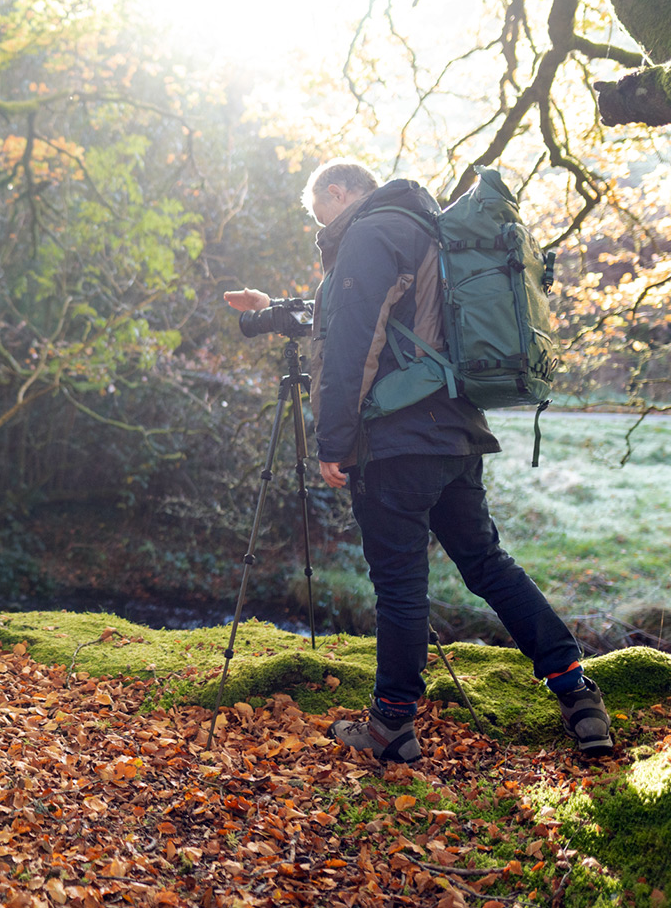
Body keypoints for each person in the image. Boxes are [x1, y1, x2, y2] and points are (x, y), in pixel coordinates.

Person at [223, 159, 613, 762]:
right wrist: (274, 307)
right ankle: (578, 693)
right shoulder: (428, 230)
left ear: (337, 191)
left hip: (396, 441)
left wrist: (335, 443)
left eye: (317, 212)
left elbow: (356, 338)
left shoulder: (369, 232)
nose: (318, 225)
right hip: (453, 433)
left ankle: (390, 725)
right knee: (487, 564)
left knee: (400, 586)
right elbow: (353, 314)